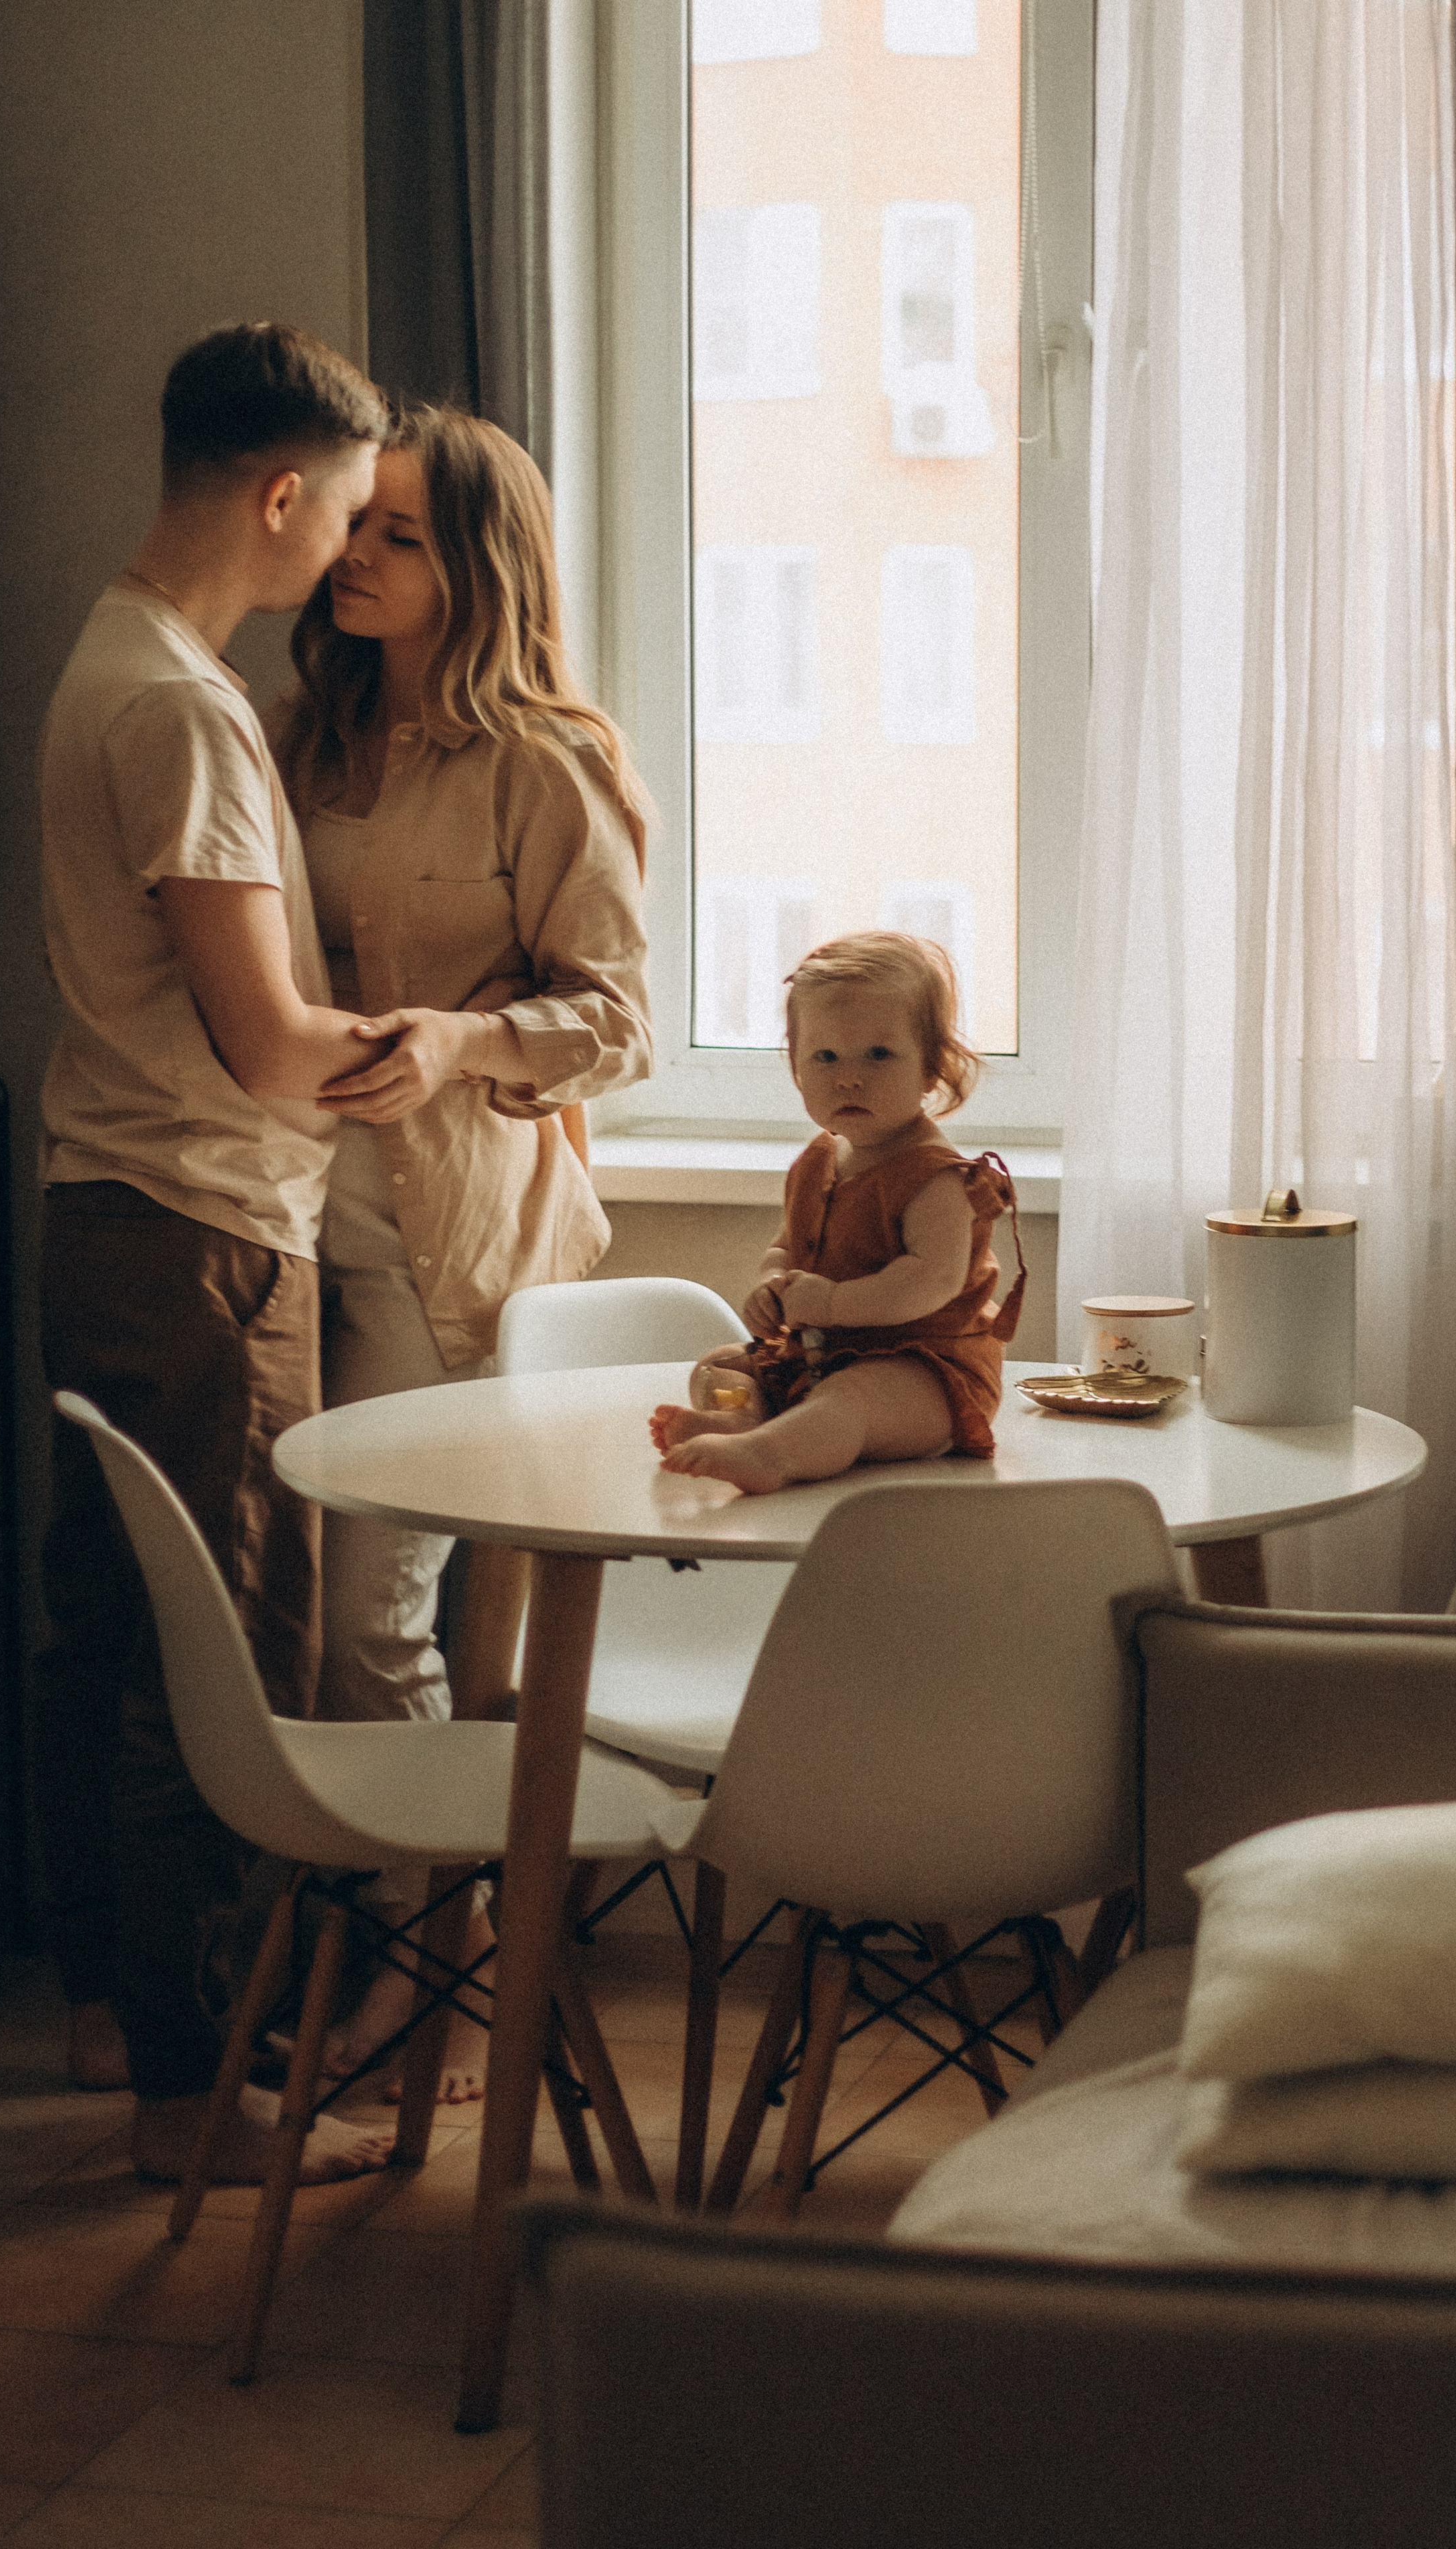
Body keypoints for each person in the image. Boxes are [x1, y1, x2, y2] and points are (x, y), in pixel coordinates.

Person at [36, 321, 396, 2183]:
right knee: (216, 1662)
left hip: (107, 1211)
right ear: (279, 495)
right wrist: (448, 1049)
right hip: (203, 1238)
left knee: (110, 1633)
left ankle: (119, 2023)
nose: (346, 552)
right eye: (343, 514)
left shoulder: (110, 657)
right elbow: (271, 1045)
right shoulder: (179, 706)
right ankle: (201, 2096)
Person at [271, 404, 652, 2092]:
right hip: (291, 1214)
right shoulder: (311, 734)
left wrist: (457, 1042)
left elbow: (620, 1019)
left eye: (398, 534)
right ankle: (398, 1932)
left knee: (378, 1613)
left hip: (459, 1241)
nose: (356, 555)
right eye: (356, 525)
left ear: (476, 562)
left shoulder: (545, 758)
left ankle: (427, 1963)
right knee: (301, 1612)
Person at [650, 932, 1024, 1496]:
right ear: (797, 1070)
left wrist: (831, 1303)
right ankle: (743, 1419)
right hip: (822, 1355)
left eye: (879, 1054)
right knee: (720, 1365)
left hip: (928, 1373)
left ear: (932, 1068)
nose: (849, 1076)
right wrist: (773, 1284)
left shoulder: (937, 1178)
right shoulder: (819, 1160)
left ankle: (770, 1454)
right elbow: (787, 1246)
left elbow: (931, 1281)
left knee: (850, 1400)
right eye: (825, 1056)